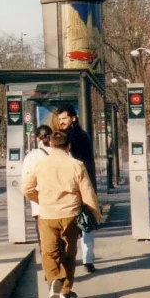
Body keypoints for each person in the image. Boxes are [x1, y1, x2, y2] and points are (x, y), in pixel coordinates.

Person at [23, 131, 101, 298]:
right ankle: (66, 290)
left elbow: (26, 188)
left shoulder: (40, 164)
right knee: (69, 251)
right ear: (69, 146)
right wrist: (95, 214)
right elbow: (87, 193)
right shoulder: (76, 165)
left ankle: (53, 281)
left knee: (49, 252)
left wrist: (40, 199)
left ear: (50, 145)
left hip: (47, 214)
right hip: (70, 215)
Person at [57, 105, 98, 273]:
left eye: (64, 119)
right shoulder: (84, 134)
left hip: (73, 186)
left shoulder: (68, 138)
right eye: (59, 120)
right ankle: (88, 259)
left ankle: (68, 260)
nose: (61, 122)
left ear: (74, 118)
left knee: (70, 224)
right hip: (87, 183)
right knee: (86, 222)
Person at [21, 126, 53, 248]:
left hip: (40, 204)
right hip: (61, 203)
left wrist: (37, 198)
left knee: (44, 238)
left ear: (38, 138)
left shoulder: (31, 157)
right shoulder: (64, 153)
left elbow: (26, 184)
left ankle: (48, 261)